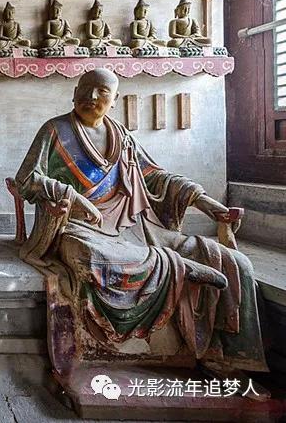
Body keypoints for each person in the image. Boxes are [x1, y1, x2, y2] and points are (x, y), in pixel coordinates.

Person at [15, 68, 267, 384]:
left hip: (136, 226)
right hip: (80, 228)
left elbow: (156, 177)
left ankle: (226, 357)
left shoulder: (121, 137)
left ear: (114, 99)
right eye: (87, 89)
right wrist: (72, 196)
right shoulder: (55, 131)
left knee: (235, 262)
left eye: (102, 91)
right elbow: (27, 179)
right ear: (74, 91)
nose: (92, 98)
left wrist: (208, 204)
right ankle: (178, 270)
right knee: (100, 259)